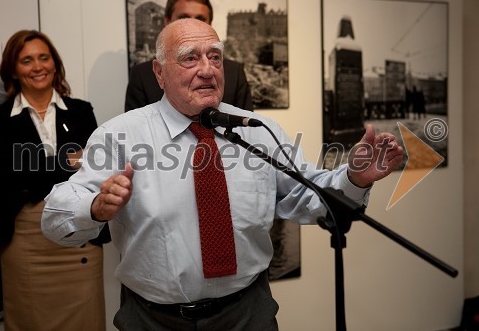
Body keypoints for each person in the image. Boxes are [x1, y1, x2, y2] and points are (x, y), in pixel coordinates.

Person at [42, 19, 403, 330]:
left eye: (214, 57)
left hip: (248, 313)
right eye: (189, 58)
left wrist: (354, 178)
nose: (207, 69)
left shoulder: (258, 129)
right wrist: (94, 207)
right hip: (154, 320)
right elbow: (55, 217)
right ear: (159, 73)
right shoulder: (120, 135)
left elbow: (308, 196)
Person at [0, 30, 108, 331]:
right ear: (13, 69)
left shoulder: (81, 111)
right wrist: (67, 161)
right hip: (25, 240)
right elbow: (8, 175)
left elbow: (94, 169)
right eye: (26, 60)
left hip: (79, 233)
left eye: (44, 57)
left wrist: (35, 169)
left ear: (55, 63)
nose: (37, 66)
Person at [125, 0, 253, 112]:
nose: (192, 24)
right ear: (167, 21)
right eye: (183, 18)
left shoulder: (234, 73)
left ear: (210, 23)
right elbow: (135, 131)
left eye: (200, 19)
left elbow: (246, 128)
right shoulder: (142, 75)